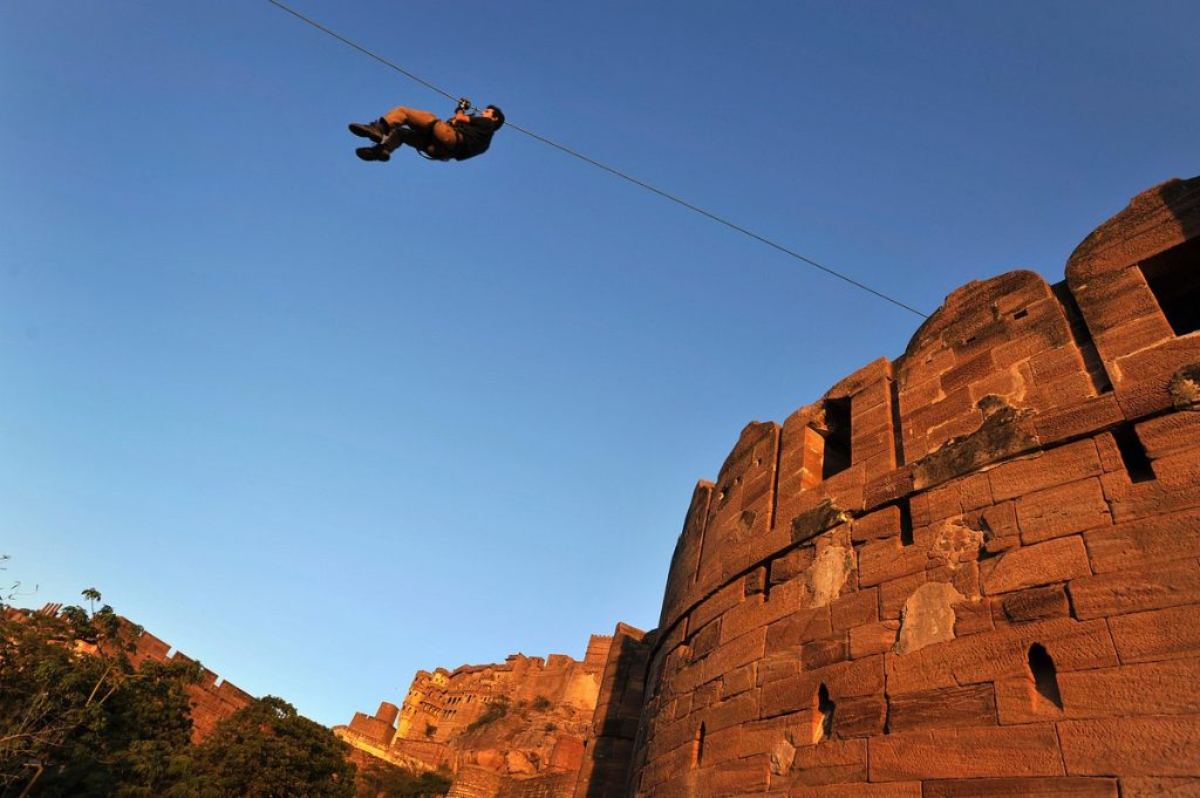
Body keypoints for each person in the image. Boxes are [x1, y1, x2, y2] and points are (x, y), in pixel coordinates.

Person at [349, 103, 505, 163]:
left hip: (449, 138)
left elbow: (460, 118)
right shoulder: (485, 142)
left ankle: (379, 128)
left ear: (494, 117)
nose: (483, 112)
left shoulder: (487, 123)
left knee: (404, 112)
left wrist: (461, 108)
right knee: (401, 133)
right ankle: (382, 150)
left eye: (487, 111)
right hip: (440, 151)